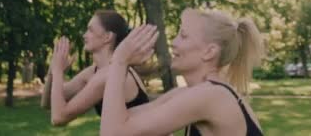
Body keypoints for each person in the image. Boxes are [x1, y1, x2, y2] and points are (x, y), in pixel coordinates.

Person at [100, 8, 265, 136]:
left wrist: (120, 61)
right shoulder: (191, 93)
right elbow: (121, 120)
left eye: (184, 36)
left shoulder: (211, 95)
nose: (174, 43)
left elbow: (112, 133)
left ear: (209, 52)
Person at [41, 10, 149, 126]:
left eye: (90, 30)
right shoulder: (94, 72)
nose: (84, 35)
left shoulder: (109, 74)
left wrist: (58, 71)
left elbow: (58, 118)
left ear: (108, 37)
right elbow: (47, 104)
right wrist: (53, 71)